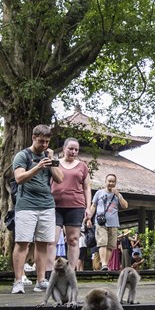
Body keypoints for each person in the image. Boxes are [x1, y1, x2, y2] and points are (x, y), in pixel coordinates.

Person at [11, 125, 63, 294]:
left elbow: (60, 179)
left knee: (43, 243)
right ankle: (18, 281)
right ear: (33, 138)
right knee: (22, 243)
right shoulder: (22, 156)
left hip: (47, 205)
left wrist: (51, 160)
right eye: (41, 141)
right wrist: (38, 167)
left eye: (47, 142)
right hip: (26, 205)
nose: (44, 145)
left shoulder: (48, 156)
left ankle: (41, 280)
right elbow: (19, 178)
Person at [49, 137, 91, 277]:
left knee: (73, 240)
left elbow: (87, 188)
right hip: (55, 205)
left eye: (76, 150)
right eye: (71, 149)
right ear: (64, 148)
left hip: (76, 205)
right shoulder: (55, 162)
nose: (73, 152)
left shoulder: (82, 166)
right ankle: (50, 272)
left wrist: (88, 207)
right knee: (52, 240)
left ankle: (71, 273)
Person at [86, 174, 129, 271]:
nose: (111, 183)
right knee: (102, 242)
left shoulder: (117, 195)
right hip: (100, 222)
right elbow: (93, 206)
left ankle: (104, 264)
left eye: (113, 181)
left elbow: (125, 205)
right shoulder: (99, 193)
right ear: (105, 181)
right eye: (109, 181)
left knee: (110, 245)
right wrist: (89, 218)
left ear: (115, 183)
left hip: (113, 223)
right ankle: (104, 264)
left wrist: (118, 195)